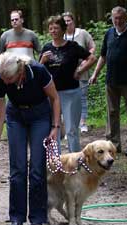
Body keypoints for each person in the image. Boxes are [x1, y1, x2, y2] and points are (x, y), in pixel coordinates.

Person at [0, 52, 61, 225]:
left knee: (37, 167)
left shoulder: (38, 71)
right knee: (17, 168)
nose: (5, 81)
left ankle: (37, 217)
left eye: (9, 78)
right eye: (3, 78)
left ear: (19, 71)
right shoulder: (0, 80)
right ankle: (17, 217)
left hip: (40, 116)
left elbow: (55, 98)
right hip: (15, 117)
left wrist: (55, 126)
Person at [89, 6, 127, 156]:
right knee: (112, 113)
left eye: (120, 18)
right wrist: (95, 74)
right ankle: (114, 145)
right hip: (111, 80)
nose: (118, 21)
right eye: (115, 18)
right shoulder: (109, 33)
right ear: (112, 18)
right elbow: (103, 56)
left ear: (126, 18)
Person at [40, 15, 96, 153]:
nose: (53, 31)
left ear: (63, 29)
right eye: (51, 28)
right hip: (52, 95)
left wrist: (80, 70)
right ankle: (56, 161)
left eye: (56, 28)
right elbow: (38, 70)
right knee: (54, 128)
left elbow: (92, 58)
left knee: (71, 129)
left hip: (71, 92)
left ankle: (75, 160)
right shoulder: (47, 48)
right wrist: (42, 60)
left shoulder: (72, 47)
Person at [62, 11, 96, 133]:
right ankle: (69, 125)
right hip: (66, 74)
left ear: (73, 21)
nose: (67, 23)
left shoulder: (82, 34)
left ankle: (82, 123)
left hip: (82, 71)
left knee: (81, 97)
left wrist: (85, 61)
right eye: (64, 21)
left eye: (68, 20)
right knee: (67, 99)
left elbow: (92, 47)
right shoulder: (62, 36)